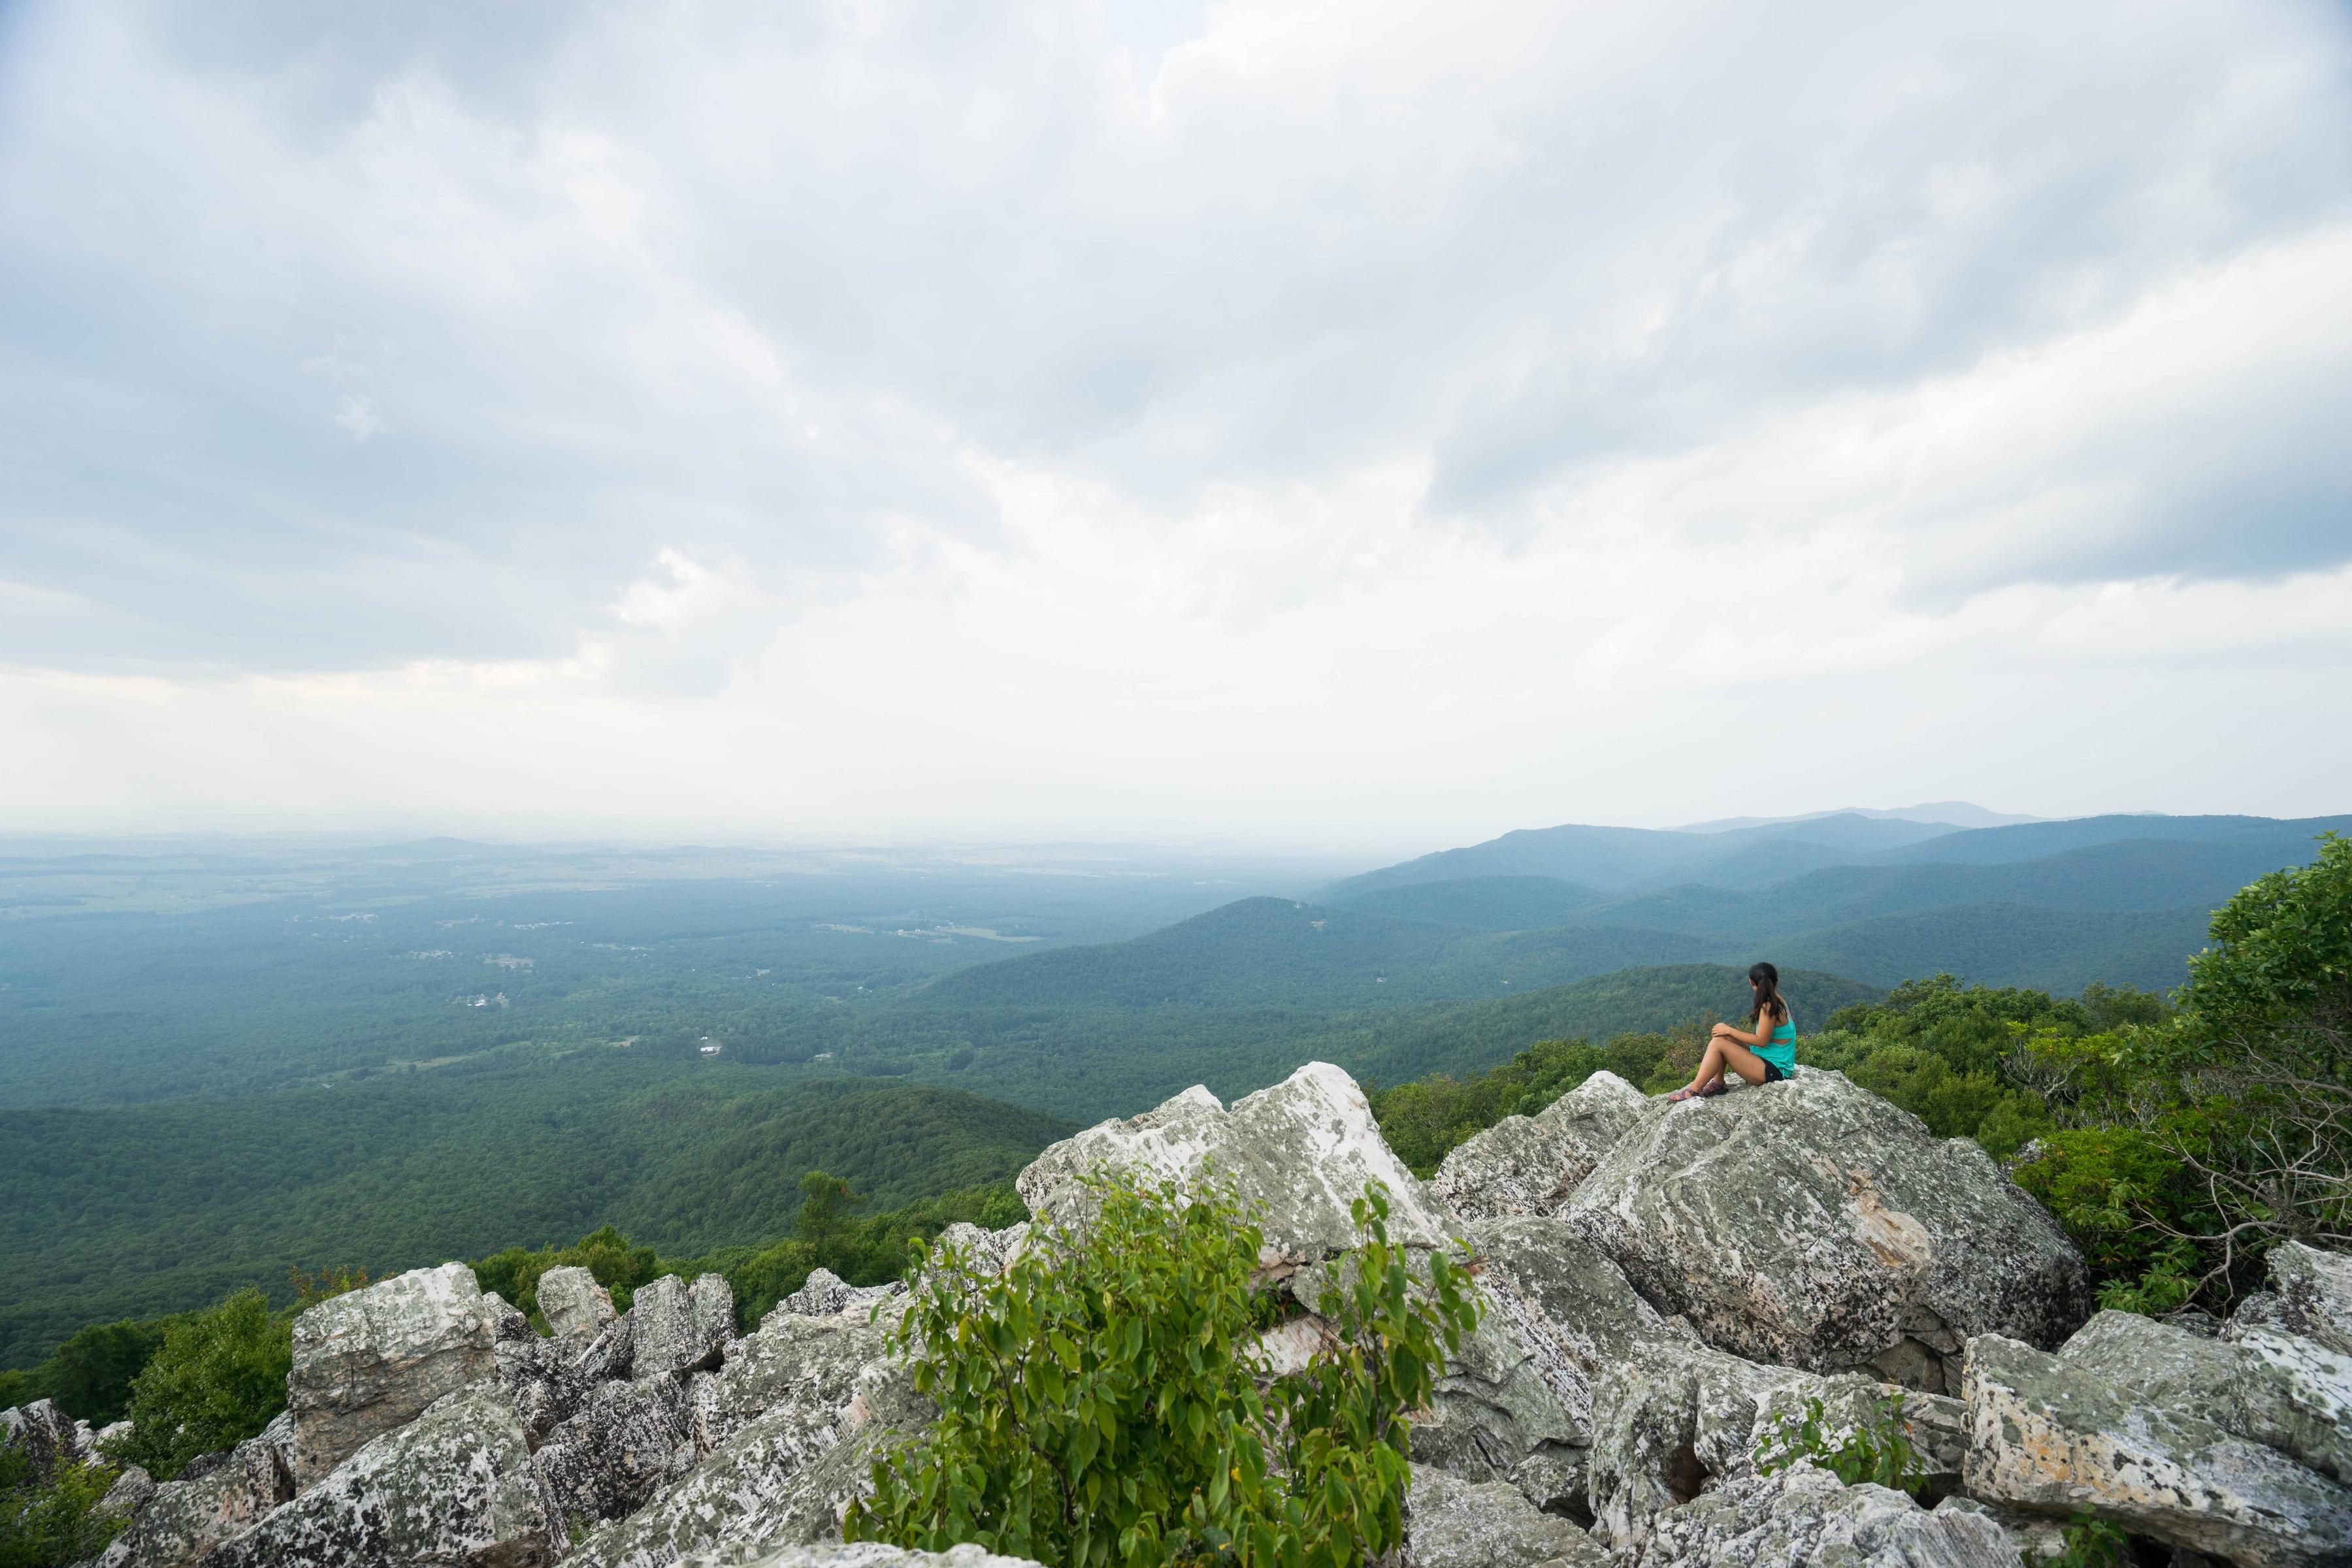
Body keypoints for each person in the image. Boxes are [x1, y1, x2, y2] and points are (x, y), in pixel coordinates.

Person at [1666, 962, 1795, 1102]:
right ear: (1776, 982)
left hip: (1775, 1071)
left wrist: (1730, 1029)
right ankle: (1718, 1082)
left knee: (1718, 1044)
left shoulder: (1768, 1006)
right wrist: (1727, 1032)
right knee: (1722, 1036)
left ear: (1751, 982)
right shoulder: (1778, 1000)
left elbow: (1761, 1041)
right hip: (1767, 1062)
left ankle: (1695, 1089)